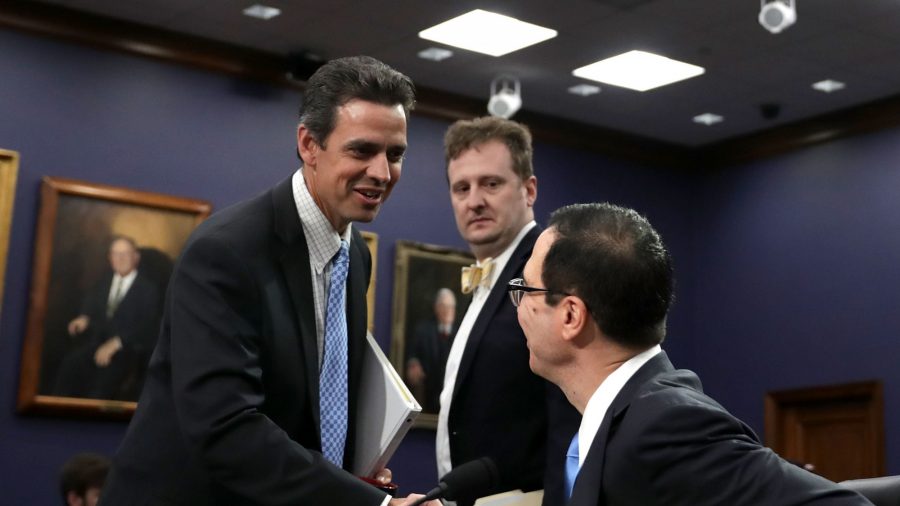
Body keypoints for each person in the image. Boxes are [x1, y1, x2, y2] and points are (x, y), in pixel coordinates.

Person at [100, 56, 438, 506]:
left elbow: (313, 409)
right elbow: (226, 428)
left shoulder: (356, 254)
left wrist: (353, 478)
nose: (382, 173)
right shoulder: (226, 251)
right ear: (309, 144)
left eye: (395, 155)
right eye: (362, 151)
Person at [510, 202, 873, 505]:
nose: (520, 306)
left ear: (571, 316)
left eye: (526, 288)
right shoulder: (628, 422)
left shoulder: (665, 427)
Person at [436, 116, 580, 506]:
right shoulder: (488, 274)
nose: (474, 200)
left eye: (491, 183)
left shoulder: (549, 272)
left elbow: (572, 419)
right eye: (461, 187)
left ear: (529, 190)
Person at [53, 236, 160, 400]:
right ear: (110, 258)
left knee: (100, 389)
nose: (120, 259)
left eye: (125, 254)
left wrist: (116, 343)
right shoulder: (103, 282)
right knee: (69, 366)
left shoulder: (148, 289)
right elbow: (91, 303)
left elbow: (147, 326)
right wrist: (84, 317)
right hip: (97, 344)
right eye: (115, 254)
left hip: (128, 351)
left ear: (136, 257)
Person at [406, 288, 457, 412]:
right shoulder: (423, 330)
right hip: (429, 388)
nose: (447, 311)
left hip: (452, 391)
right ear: (436, 308)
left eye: (450, 307)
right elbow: (413, 353)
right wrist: (413, 363)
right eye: (443, 306)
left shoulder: (462, 333)